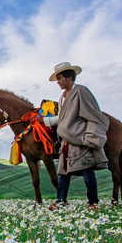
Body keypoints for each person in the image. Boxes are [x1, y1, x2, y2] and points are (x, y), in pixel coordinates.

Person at [48, 62, 109, 210]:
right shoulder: (62, 97)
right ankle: (61, 201)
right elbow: (62, 118)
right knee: (63, 172)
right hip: (66, 141)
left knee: (87, 170)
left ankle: (93, 202)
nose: (58, 82)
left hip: (79, 137)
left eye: (59, 78)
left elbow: (93, 114)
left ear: (69, 77)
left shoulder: (81, 91)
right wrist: (46, 121)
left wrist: (89, 137)